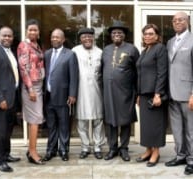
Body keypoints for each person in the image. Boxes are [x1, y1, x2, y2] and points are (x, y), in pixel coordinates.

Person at [165, 11, 193, 175]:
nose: (177, 22)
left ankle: (192, 158)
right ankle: (181, 155)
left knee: (191, 129)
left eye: (180, 19)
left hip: (188, 95)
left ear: (187, 21)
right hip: (172, 94)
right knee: (177, 128)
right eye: (174, 20)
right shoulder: (170, 42)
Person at [102, 21, 140, 162]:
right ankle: (112, 148)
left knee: (125, 121)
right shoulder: (106, 50)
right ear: (111, 36)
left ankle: (124, 148)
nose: (116, 35)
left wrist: (137, 93)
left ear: (124, 35)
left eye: (119, 33)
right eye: (114, 33)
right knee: (111, 121)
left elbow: (138, 72)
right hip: (109, 93)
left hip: (126, 92)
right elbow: (102, 71)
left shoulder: (132, 49)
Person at [0, 26, 21, 172]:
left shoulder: (10, 52)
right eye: (4, 36)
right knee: (0, 131)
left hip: (12, 98)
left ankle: (6, 154)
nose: (7, 38)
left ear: (12, 37)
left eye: (9, 36)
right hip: (2, 100)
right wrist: (0, 98)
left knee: (8, 129)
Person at [43, 28, 79, 162]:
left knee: (64, 125)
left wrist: (72, 94)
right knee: (51, 125)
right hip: (49, 97)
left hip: (64, 96)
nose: (54, 39)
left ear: (63, 39)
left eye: (57, 37)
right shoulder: (46, 54)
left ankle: (64, 150)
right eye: (53, 37)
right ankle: (51, 150)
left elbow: (74, 76)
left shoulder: (70, 54)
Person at [135, 24, 168, 167]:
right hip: (143, 93)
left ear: (157, 36)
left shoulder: (160, 49)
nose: (147, 36)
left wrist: (158, 94)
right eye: (145, 34)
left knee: (156, 125)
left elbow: (162, 72)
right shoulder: (144, 51)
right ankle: (148, 150)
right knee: (146, 126)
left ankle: (156, 152)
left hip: (154, 93)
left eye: (151, 34)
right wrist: (138, 94)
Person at [72, 27, 105, 159]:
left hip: (97, 91)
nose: (87, 38)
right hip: (80, 91)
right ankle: (85, 147)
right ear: (80, 39)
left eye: (89, 36)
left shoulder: (100, 52)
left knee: (98, 120)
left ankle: (97, 146)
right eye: (84, 36)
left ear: (93, 38)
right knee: (81, 121)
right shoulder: (75, 51)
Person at [17, 19, 45, 165]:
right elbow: (23, 69)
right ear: (26, 31)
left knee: (35, 119)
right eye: (30, 29)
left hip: (38, 85)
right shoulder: (24, 45)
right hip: (31, 87)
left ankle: (31, 149)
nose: (33, 32)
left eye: (35, 30)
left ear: (39, 32)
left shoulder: (36, 45)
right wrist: (30, 89)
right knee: (35, 119)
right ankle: (33, 153)